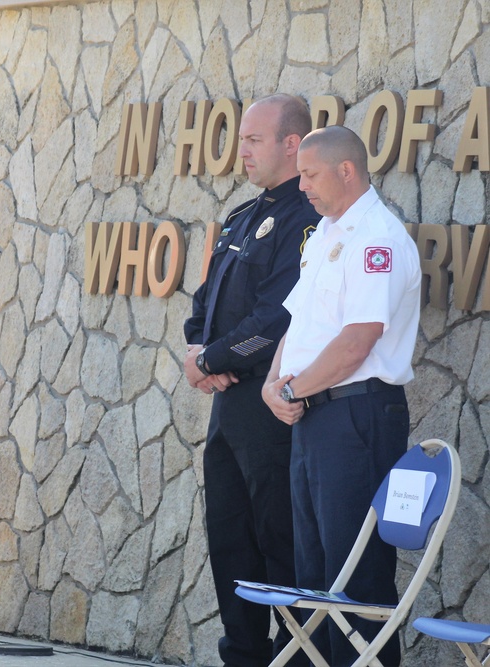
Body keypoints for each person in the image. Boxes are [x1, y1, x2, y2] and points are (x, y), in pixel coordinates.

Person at [262, 125, 421, 667]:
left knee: (355, 578)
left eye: (309, 174)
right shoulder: (327, 233)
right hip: (314, 416)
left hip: (356, 417)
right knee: (313, 576)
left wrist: (291, 389)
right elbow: (299, 324)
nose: (301, 185)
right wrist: (273, 384)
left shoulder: (376, 237)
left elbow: (358, 341)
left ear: (346, 170)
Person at [183, 94, 319, 667]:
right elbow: (205, 300)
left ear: (292, 144)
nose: (241, 150)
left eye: (254, 140)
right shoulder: (242, 216)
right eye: (241, 139)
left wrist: (212, 360)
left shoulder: (305, 219)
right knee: (231, 540)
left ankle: (294, 656)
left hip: (272, 411)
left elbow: (280, 313)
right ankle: (242, 655)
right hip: (227, 409)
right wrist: (198, 351)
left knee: (279, 543)